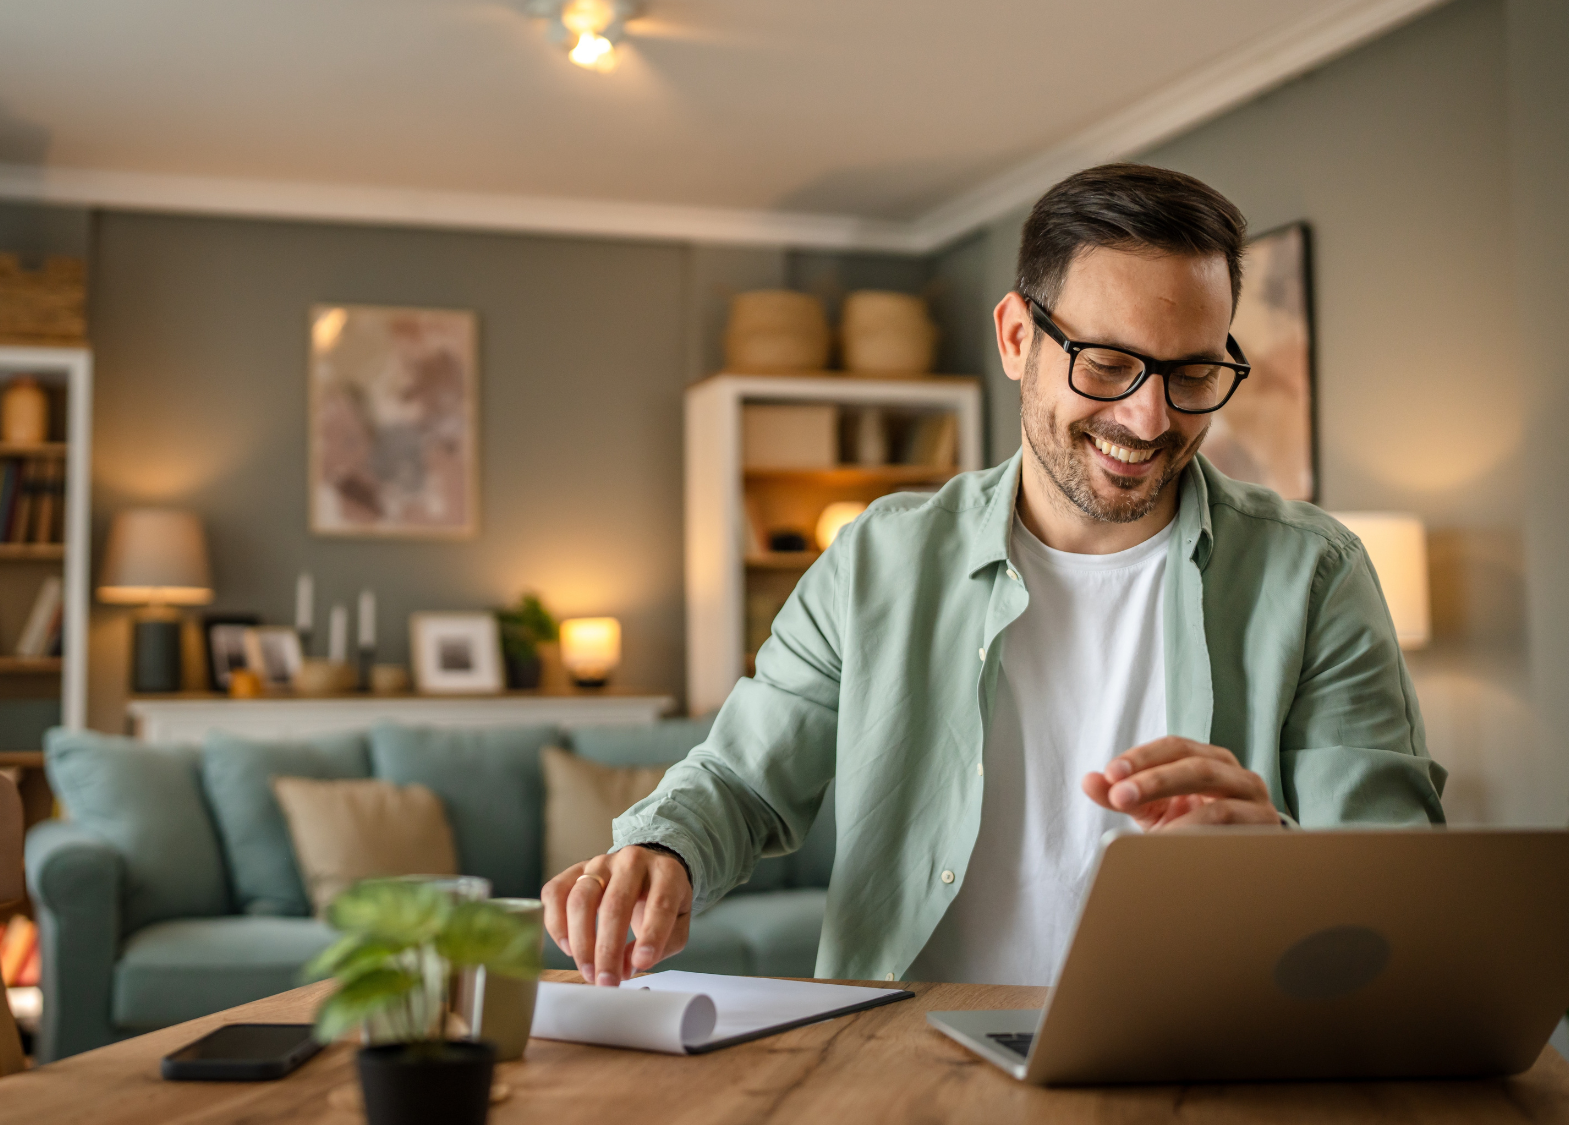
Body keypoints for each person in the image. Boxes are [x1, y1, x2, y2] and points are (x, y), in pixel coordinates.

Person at [542, 163, 1446, 989]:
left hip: (1202, 1061)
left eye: (1194, 373)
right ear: (1017, 337)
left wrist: (1280, 858)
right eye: (1108, 364)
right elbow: (743, 781)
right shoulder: (877, 560)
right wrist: (664, 848)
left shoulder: (1315, 574)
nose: (1150, 418)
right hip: (903, 1066)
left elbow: (1401, 893)